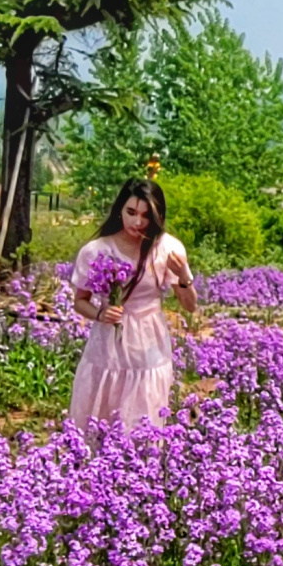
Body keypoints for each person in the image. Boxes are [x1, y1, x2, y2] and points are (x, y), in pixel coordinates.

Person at [68, 179, 196, 434]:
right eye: (131, 213)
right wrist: (101, 313)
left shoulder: (167, 248)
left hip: (149, 339)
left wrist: (183, 275)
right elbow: (80, 302)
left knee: (144, 405)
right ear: (120, 210)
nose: (137, 222)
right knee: (104, 402)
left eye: (146, 216)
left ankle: (140, 465)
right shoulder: (97, 250)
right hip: (108, 342)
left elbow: (190, 306)